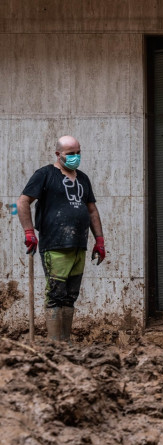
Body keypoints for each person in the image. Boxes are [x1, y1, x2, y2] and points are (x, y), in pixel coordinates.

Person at [16, 135, 106, 343]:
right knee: (56, 295)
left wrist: (99, 240)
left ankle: (65, 343)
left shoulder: (83, 178)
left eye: (78, 153)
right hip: (55, 245)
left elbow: (92, 210)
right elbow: (22, 202)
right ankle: (55, 344)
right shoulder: (45, 174)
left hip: (78, 246)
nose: (75, 157)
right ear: (58, 154)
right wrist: (29, 232)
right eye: (70, 154)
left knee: (70, 296)